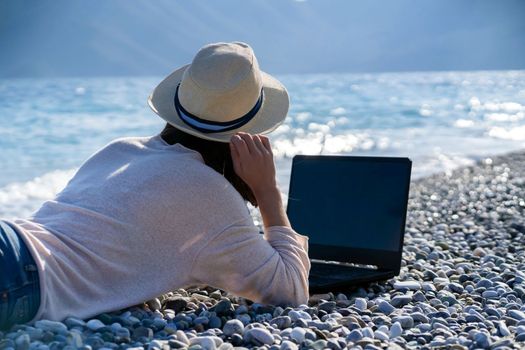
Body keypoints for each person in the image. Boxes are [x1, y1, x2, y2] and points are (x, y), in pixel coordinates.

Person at [0, 42, 310, 331]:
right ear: (248, 135)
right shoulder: (209, 193)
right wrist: (267, 191)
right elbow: (291, 289)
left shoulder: (120, 150)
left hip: (14, 240)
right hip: (20, 278)